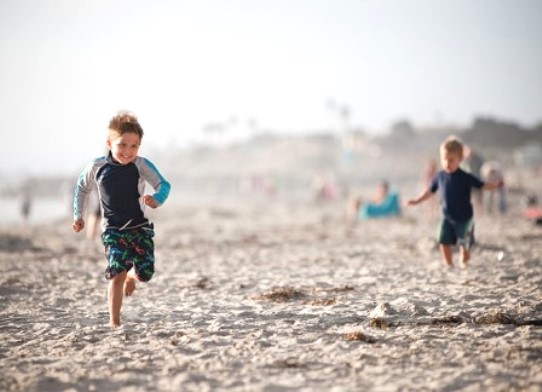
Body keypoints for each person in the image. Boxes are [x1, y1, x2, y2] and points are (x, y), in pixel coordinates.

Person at [72, 111, 171, 329]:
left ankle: (131, 277)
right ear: (109, 143)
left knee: (145, 273)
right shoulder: (96, 167)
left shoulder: (141, 165)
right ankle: (114, 322)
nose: (128, 151)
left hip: (140, 229)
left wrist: (157, 199)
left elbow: (164, 185)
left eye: (133, 146)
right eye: (122, 145)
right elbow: (81, 188)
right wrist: (78, 216)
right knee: (116, 272)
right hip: (113, 231)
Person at [406, 136, 503, 268]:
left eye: (451, 160)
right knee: (443, 241)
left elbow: (481, 185)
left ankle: (465, 258)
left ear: (460, 159)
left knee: (465, 243)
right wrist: (416, 200)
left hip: (464, 217)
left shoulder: (465, 177)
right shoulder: (439, 176)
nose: (447, 163)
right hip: (447, 217)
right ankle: (449, 264)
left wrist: (495, 186)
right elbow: (430, 191)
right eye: (444, 159)